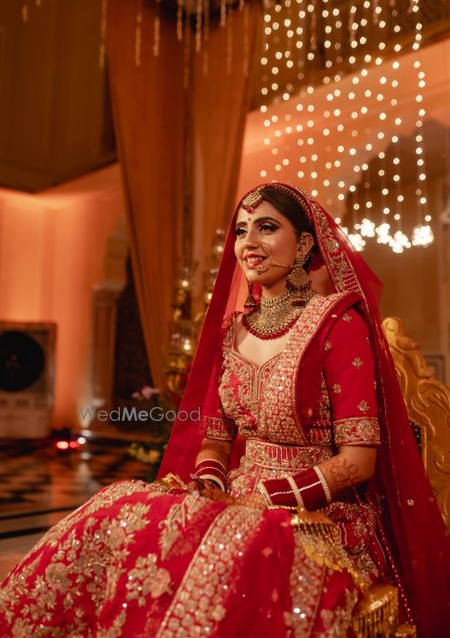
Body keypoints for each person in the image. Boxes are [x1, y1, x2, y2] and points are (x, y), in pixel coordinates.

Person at [0, 182, 448, 637]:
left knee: (221, 561)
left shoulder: (338, 324)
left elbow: (358, 461)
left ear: (306, 244)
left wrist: (267, 499)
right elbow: (214, 436)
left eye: (267, 227)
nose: (249, 243)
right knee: (120, 512)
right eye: (241, 230)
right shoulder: (232, 331)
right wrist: (209, 481)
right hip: (233, 495)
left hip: (317, 511)